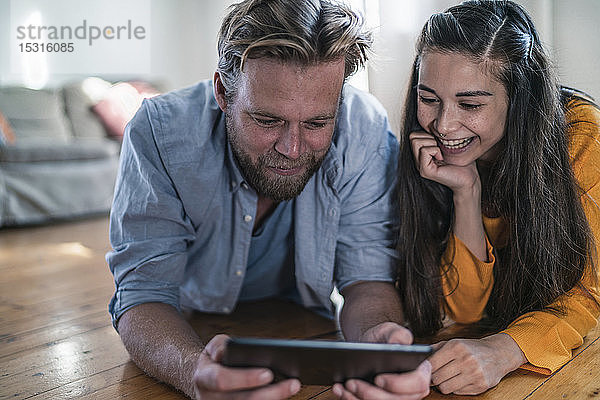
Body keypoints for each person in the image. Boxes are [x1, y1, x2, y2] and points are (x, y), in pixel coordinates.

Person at [107, 0, 431, 399]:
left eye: (317, 122)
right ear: (223, 93)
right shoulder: (159, 133)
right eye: (267, 120)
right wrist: (194, 372)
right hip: (188, 319)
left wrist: (379, 339)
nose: (292, 149)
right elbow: (144, 295)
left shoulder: (363, 129)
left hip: (301, 311)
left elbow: (366, 278)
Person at [395, 0, 600, 395]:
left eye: (470, 104)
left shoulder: (583, 136)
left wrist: (504, 351)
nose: (442, 124)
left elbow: (589, 295)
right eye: (429, 98)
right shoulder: (427, 154)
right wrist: (466, 192)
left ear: (520, 99)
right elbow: (465, 312)